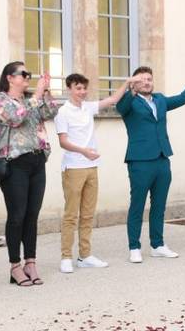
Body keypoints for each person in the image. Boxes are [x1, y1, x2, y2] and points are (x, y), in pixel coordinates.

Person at [117, 64, 185, 263]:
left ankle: (157, 244)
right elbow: (120, 108)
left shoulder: (159, 100)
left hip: (162, 159)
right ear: (134, 83)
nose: (146, 83)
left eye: (149, 79)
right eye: (142, 79)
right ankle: (134, 246)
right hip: (140, 160)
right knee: (138, 205)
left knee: (159, 206)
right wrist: (129, 90)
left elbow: (184, 97)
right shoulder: (129, 101)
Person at [0, 61, 57, 287]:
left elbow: (51, 112)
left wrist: (46, 91)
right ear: (10, 78)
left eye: (29, 74)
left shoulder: (31, 99)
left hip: (37, 160)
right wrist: (37, 95)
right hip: (14, 163)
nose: (28, 77)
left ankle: (31, 262)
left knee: (32, 215)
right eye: (23, 74)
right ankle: (15, 266)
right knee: (17, 215)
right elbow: (16, 118)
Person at [55, 73, 130, 274]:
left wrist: (128, 82)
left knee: (88, 214)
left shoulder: (87, 107)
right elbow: (62, 141)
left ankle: (85, 255)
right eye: (78, 88)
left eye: (84, 88)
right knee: (71, 215)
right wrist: (83, 151)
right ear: (69, 89)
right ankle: (66, 257)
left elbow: (113, 100)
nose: (82, 92)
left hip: (91, 167)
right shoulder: (63, 112)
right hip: (73, 168)